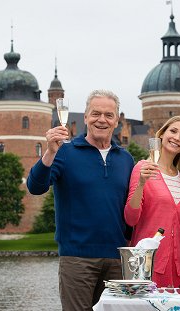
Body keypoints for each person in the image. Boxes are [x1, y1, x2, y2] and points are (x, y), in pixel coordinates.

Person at [27, 89, 135, 310]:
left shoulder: (126, 159)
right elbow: (35, 187)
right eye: (95, 113)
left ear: (116, 121)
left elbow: (130, 207)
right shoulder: (64, 152)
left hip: (117, 259)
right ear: (85, 117)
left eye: (109, 115)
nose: (102, 120)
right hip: (77, 258)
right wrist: (49, 153)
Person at [124, 116, 180, 288]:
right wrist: (141, 183)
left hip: (179, 265)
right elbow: (131, 219)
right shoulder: (143, 168)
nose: (176, 137)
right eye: (173, 131)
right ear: (162, 134)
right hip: (148, 263)